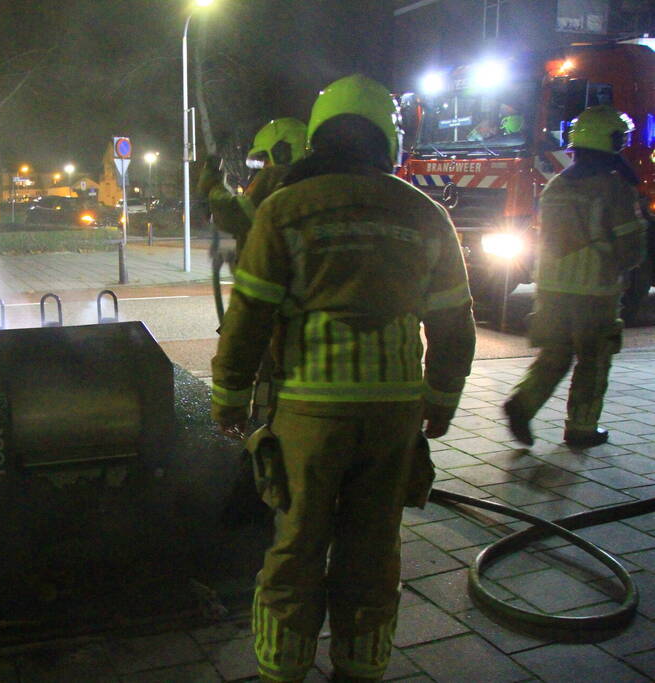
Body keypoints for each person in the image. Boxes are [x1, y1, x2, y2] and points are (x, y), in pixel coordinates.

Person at [210, 74, 476, 682]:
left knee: (296, 546)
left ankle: (282, 670)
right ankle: (360, 669)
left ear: (319, 136)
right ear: (388, 137)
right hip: (393, 415)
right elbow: (455, 324)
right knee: (373, 551)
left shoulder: (283, 210)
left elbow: (248, 317)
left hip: (309, 412)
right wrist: (440, 399)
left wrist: (230, 399)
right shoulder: (425, 212)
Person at [504, 105, 648, 449]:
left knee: (554, 354)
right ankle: (582, 427)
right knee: (593, 359)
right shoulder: (614, 188)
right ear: (610, 140)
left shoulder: (556, 185)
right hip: (594, 291)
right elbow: (631, 249)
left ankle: (523, 403)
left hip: (551, 288)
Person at [197, 117, 308, 254]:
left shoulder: (277, 182)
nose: (265, 167)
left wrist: (212, 185)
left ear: (283, 153)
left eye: (266, 160)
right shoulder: (315, 185)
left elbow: (237, 215)